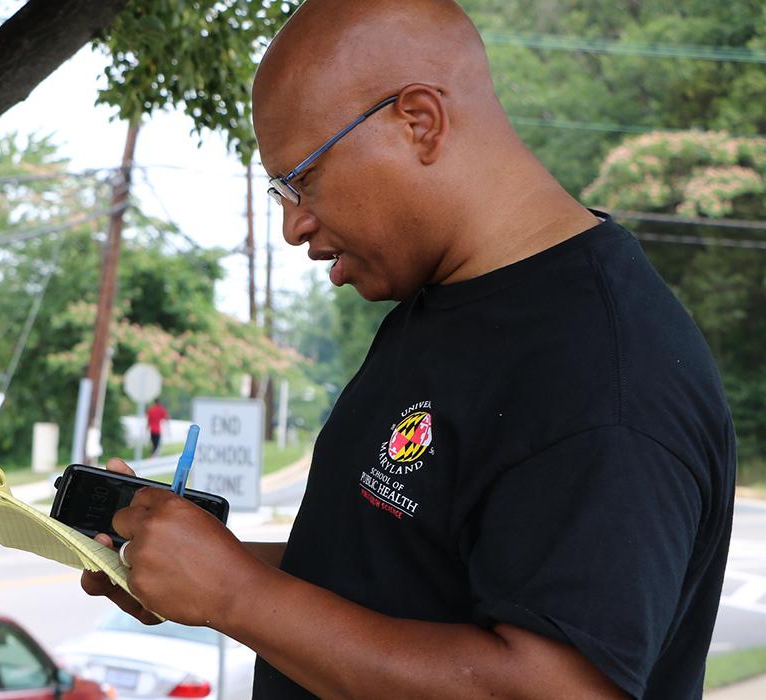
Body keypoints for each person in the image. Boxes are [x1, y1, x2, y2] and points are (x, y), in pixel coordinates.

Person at [80, 1, 735, 698]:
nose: (293, 226)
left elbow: (549, 688)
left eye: (301, 179)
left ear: (418, 121)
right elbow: (393, 573)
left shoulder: (605, 376)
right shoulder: (440, 306)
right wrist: (200, 569)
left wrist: (238, 595)